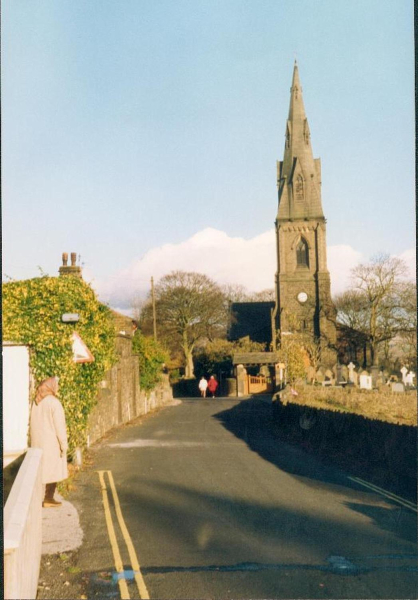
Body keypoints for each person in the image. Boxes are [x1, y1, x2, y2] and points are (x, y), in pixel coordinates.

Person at [30, 377, 68, 508]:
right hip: (51, 443)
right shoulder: (54, 403)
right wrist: (64, 444)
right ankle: (48, 498)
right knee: (53, 470)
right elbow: (60, 426)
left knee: (40, 472)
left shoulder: (36, 402)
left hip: (37, 443)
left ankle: (37, 500)